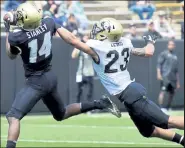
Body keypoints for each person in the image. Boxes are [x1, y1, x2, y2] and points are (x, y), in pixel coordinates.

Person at [3, 3, 121, 148]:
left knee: (13, 116)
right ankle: (100, 103)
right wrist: (91, 52)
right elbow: (71, 38)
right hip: (50, 77)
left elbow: (11, 55)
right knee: (61, 114)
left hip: (36, 81)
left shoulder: (17, 37)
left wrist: (8, 29)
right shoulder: (48, 22)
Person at [72, 18, 184, 146]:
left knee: (168, 122)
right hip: (130, 93)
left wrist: (56, 26)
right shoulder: (124, 42)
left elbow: (73, 41)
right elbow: (148, 51)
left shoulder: (98, 46)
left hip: (130, 94)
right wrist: (150, 41)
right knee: (148, 131)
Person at [157, 40, 180, 111]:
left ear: (174, 46)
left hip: (173, 78)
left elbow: (176, 70)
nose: (171, 46)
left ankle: (167, 107)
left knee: (172, 93)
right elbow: (159, 64)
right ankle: (160, 108)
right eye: (170, 44)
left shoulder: (175, 56)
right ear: (168, 45)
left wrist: (178, 82)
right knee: (162, 91)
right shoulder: (164, 54)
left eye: (173, 45)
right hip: (165, 77)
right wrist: (159, 74)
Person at [71, 35, 95, 103]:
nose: (85, 40)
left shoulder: (92, 48)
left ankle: (89, 109)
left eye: (87, 38)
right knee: (79, 91)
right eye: (84, 38)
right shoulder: (80, 48)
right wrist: (77, 45)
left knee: (89, 92)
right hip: (80, 73)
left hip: (89, 73)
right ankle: (77, 107)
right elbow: (73, 56)